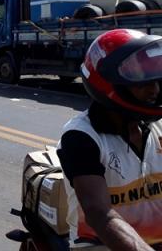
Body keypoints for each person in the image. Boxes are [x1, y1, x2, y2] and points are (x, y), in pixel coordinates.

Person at [57, 29, 162, 250]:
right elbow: (99, 213)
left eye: (155, 78)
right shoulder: (81, 137)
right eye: (141, 80)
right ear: (109, 82)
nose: (154, 89)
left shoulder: (157, 127)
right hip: (100, 243)